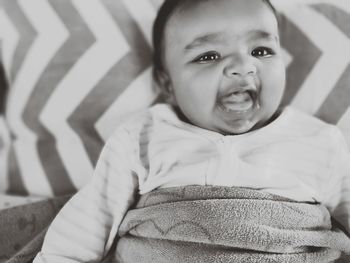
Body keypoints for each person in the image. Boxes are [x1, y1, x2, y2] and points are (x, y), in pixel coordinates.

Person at [34, 0, 350, 262]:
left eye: (261, 50)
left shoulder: (319, 142)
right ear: (167, 84)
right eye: (208, 56)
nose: (243, 65)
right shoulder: (144, 136)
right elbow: (89, 222)